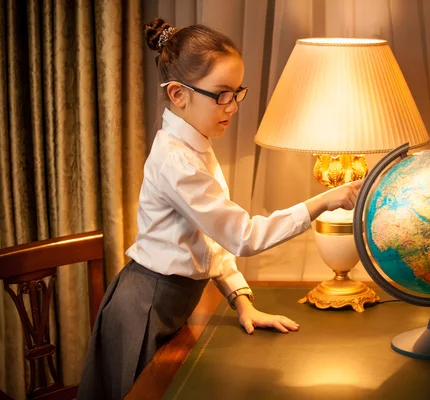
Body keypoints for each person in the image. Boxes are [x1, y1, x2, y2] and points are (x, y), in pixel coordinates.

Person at [77, 18, 363, 400]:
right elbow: (242, 236)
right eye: (221, 94)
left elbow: (211, 241)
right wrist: (323, 201)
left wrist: (240, 299)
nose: (233, 106)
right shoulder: (177, 161)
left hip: (169, 302)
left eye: (237, 93)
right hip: (146, 306)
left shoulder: (195, 146)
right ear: (179, 94)